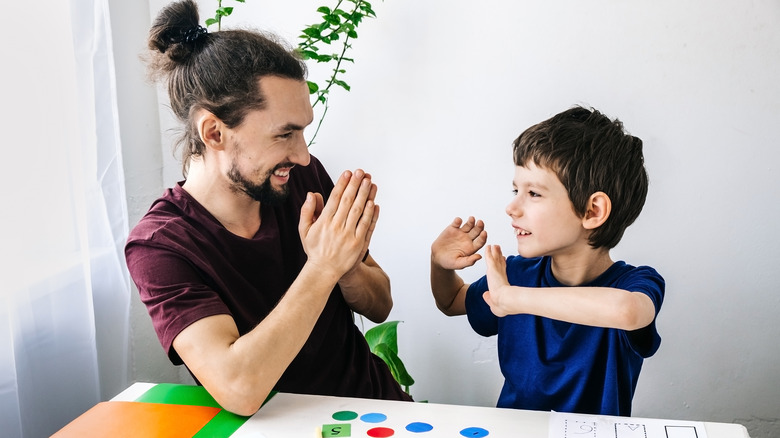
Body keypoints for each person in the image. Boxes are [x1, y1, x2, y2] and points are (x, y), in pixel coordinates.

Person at [125, 0, 411, 416]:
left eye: (303, 132)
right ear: (214, 132)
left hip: (377, 410)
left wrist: (347, 264)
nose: (303, 156)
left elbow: (379, 303)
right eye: (285, 134)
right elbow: (239, 388)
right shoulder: (160, 247)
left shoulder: (303, 182)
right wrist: (323, 267)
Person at [430, 106, 664, 416]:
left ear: (592, 211)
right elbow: (450, 301)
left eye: (534, 194)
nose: (512, 207)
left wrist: (512, 298)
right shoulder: (514, 273)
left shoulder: (635, 285)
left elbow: (627, 311)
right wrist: (439, 264)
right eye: (516, 190)